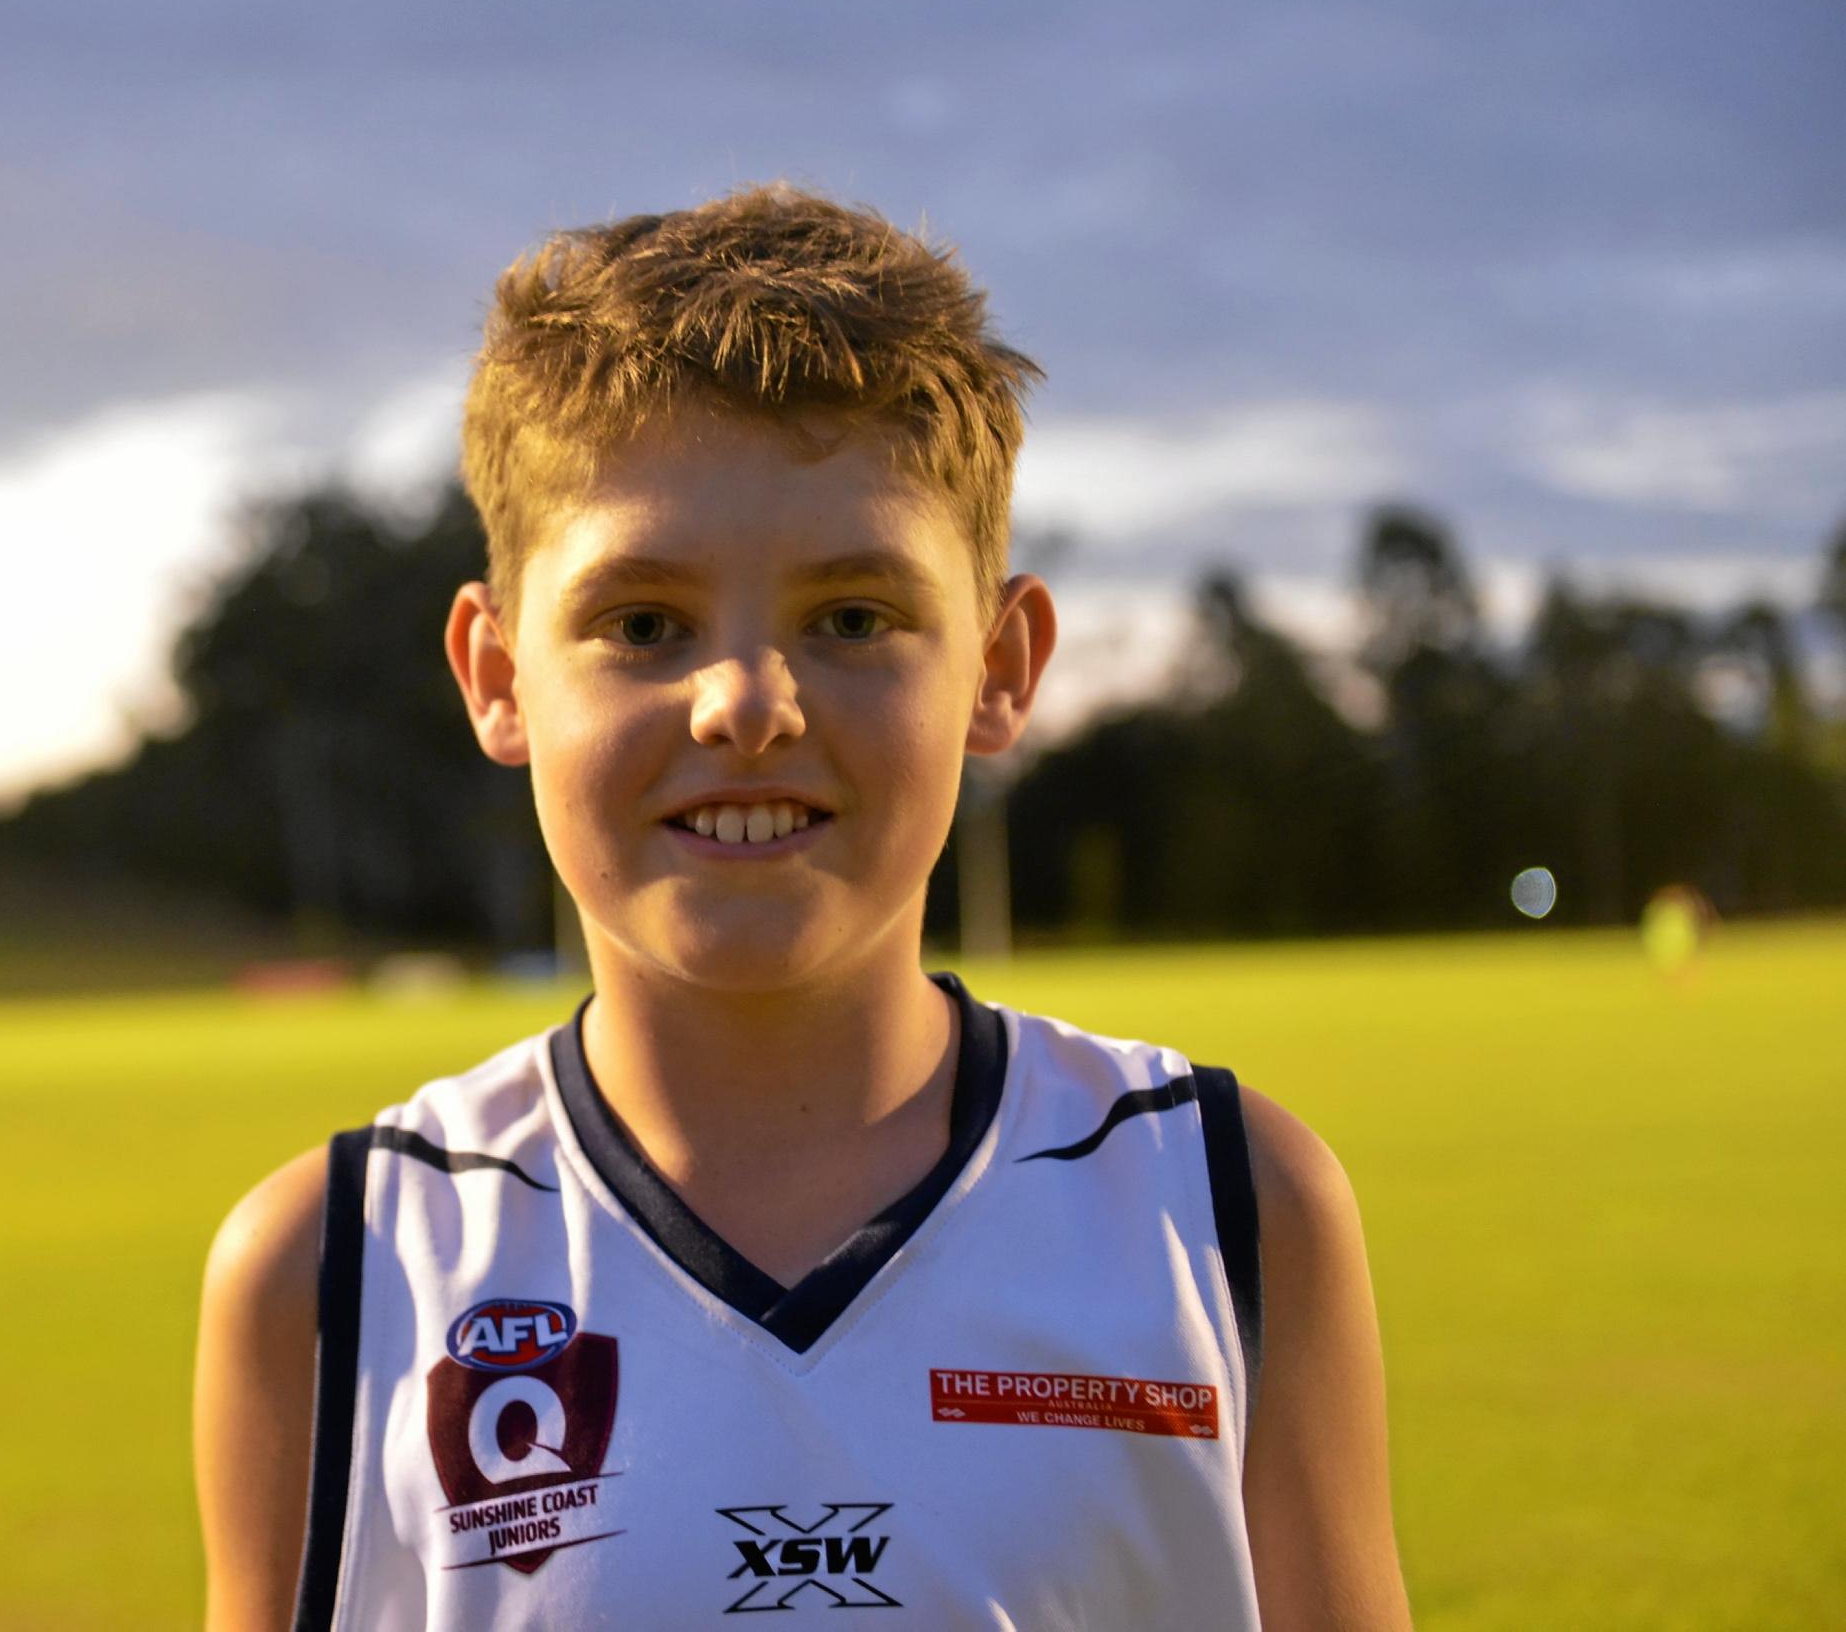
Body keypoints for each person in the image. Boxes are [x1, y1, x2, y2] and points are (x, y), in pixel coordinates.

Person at [195, 184, 1409, 1630]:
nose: (748, 705)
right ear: (497, 674)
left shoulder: (1221, 1208)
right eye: (642, 624)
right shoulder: (340, 1269)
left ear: (1003, 664)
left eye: (851, 618)